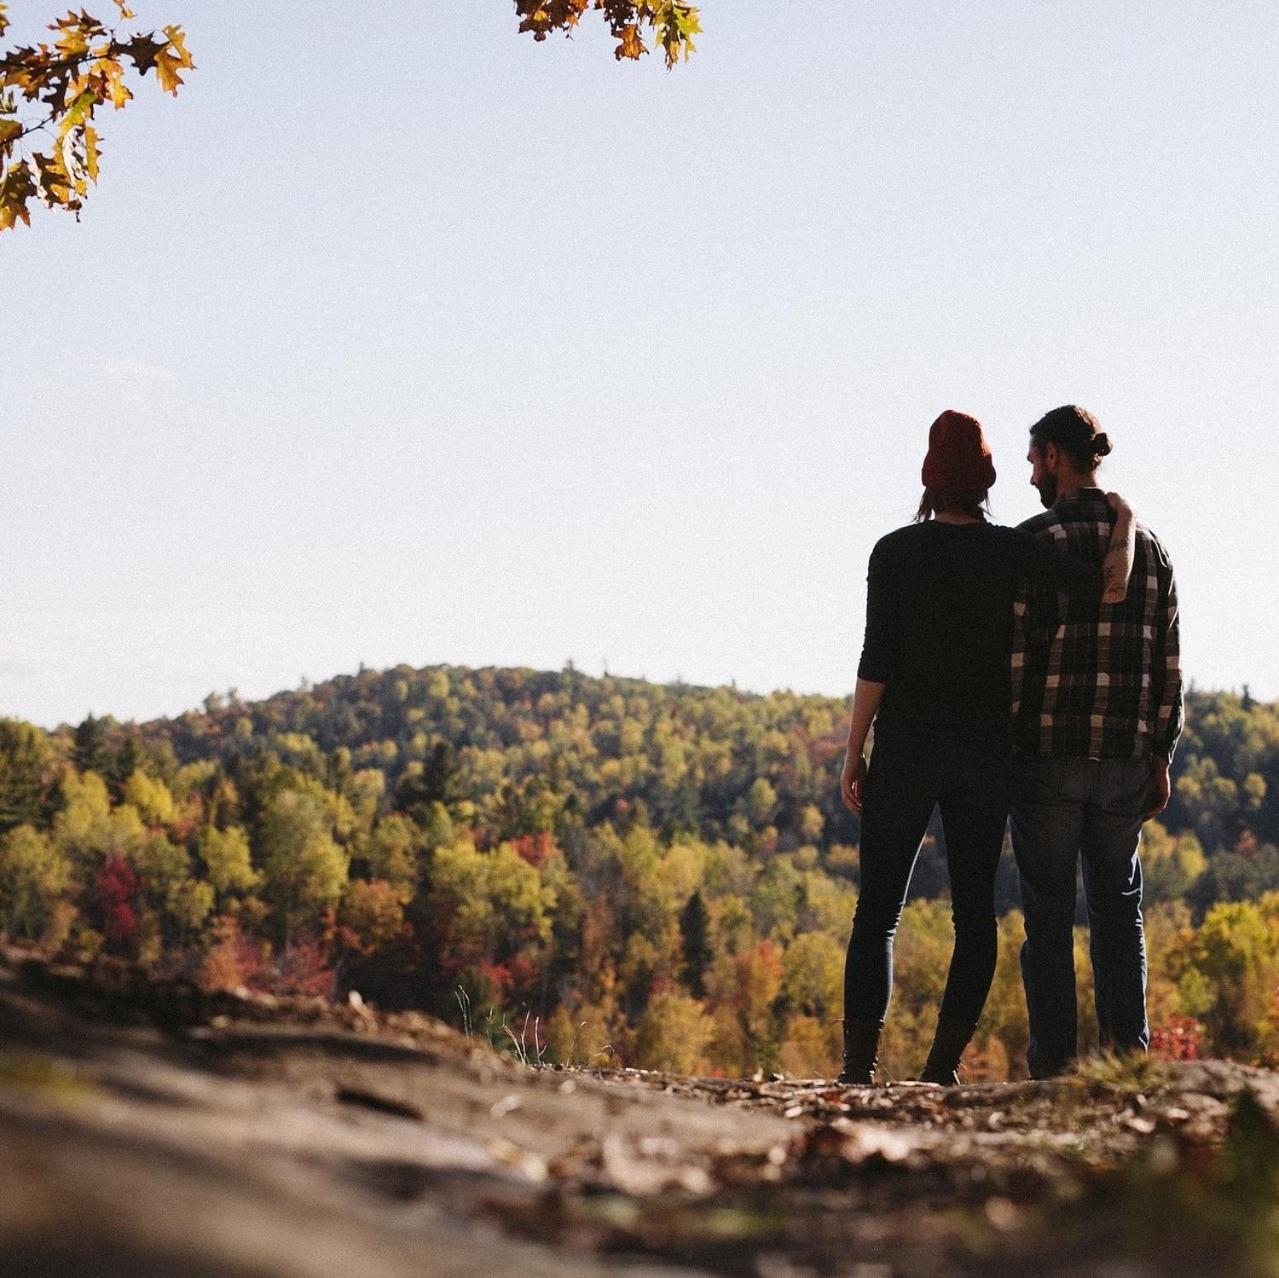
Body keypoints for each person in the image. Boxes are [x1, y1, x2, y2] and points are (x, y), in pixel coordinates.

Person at [836, 410, 1135, 1087]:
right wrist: (1124, 518)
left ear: (927, 481)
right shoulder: (1010, 551)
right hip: (982, 754)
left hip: (907, 749)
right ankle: (939, 1069)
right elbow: (1105, 587)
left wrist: (854, 751)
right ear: (986, 480)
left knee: (876, 911)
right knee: (973, 916)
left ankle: (858, 1071)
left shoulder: (893, 552)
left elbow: (875, 660)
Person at [1010, 406, 1182, 1079]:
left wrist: (1010, 746)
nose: (1029, 474)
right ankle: (1123, 1063)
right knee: (1117, 911)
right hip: (1121, 760)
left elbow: (1016, 662)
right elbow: (1167, 663)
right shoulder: (1152, 552)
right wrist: (1159, 753)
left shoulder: (1033, 541)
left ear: (1053, 456)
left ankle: (1053, 1068)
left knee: (1047, 915)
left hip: (1047, 757)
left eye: (1032, 460)